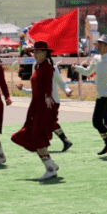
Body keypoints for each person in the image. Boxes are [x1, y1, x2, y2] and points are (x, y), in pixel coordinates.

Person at [11, 41, 63, 180]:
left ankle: (50, 168)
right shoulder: (38, 66)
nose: (35, 54)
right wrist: (24, 90)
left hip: (44, 106)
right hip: (36, 106)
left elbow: (47, 84)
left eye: (37, 51)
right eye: (34, 52)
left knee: (37, 136)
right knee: (31, 135)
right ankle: (51, 163)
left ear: (45, 52)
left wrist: (47, 97)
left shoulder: (47, 67)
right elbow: (37, 89)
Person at [72, 35, 107, 155]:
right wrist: (77, 68)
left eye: (101, 44)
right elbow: (88, 72)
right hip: (100, 94)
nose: (98, 46)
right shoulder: (96, 58)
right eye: (98, 44)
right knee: (96, 122)